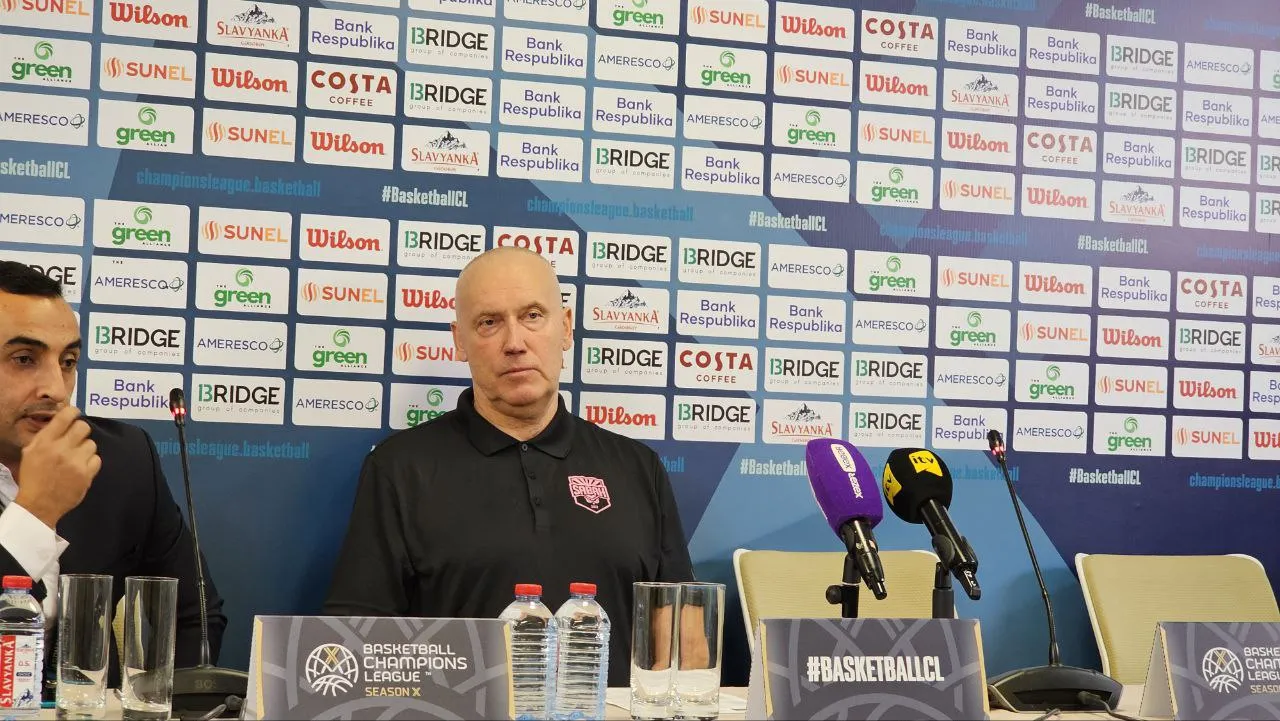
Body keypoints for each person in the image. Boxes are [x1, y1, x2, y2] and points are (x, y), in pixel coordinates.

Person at [325, 247, 694, 685]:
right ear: (459, 341)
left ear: (566, 327)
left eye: (533, 316)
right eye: (489, 322)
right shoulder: (400, 468)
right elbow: (358, 640)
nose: (514, 342)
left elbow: (684, 646)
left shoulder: (638, 467)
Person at [0, 261, 225, 697]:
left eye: (68, 362)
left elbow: (194, 617)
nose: (56, 389)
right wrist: (36, 514)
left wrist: (138, 705)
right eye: (24, 359)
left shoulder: (122, 459)